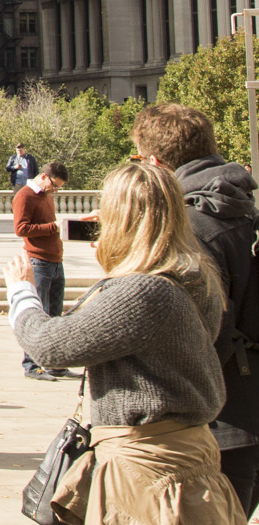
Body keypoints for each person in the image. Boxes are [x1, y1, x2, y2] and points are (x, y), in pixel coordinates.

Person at [7, 162, 243, 524]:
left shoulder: (144, 291)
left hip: (147, 470)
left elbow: (49, 345)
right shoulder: (194, 274)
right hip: (186, 462)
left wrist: (22, 292)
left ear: (121, 219)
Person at [132, 102, 259, 513]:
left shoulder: (190, 225)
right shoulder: (244, 204)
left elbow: (201, 333)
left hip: (217, 422)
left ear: (155, 162)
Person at [13, 158, 72, 380]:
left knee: (55, 316)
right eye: (54, 185)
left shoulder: (46, 196)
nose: (55, 190)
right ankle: (31, 365)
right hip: (39, 262)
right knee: (39, 314)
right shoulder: (25, 195)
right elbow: (21, 228)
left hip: (55, 260)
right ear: (44, 176)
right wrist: (53, 227)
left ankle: (54, 363)